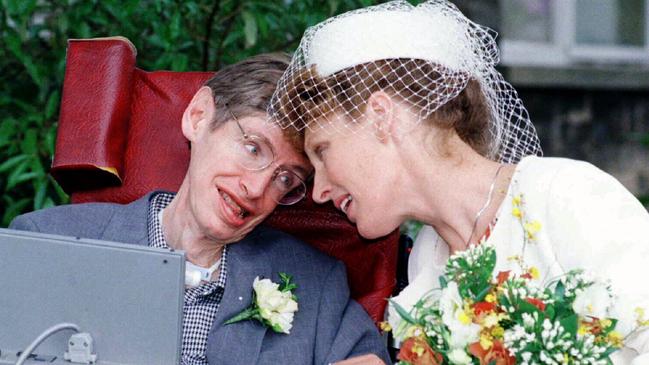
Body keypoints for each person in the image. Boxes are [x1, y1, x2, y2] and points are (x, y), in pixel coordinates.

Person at [269, 1, 649, 363]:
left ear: (381, 116)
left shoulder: (564, 195)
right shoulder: (425, 261)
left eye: (322, 150)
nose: (317, 192)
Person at [10, 53, 389, 365]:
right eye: (253, 148)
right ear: (198, 117)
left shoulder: (316, 286)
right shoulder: (44, 242)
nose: (257, 188)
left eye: (286, 179)